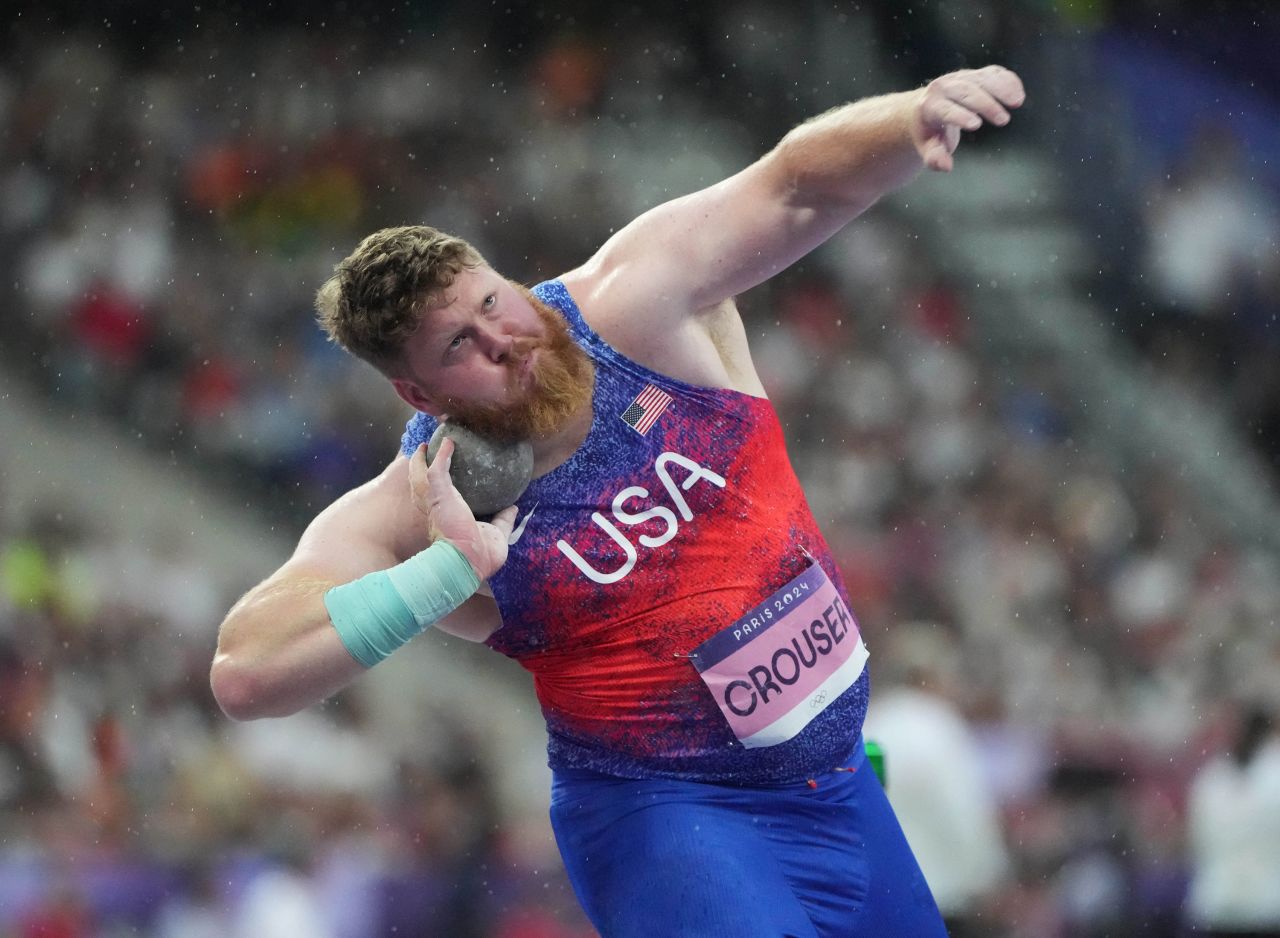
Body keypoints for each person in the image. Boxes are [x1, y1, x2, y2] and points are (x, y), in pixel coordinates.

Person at [211, 65, 1025, 937]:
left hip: (836, 786)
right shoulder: (424, 504)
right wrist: (445, 574)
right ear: (420, 396)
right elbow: (246, 673)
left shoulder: (641, 303)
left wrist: (909, 118)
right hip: (667, 817)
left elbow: (793, 182)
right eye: (462, 346)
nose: (507, 341)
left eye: (494, 301)